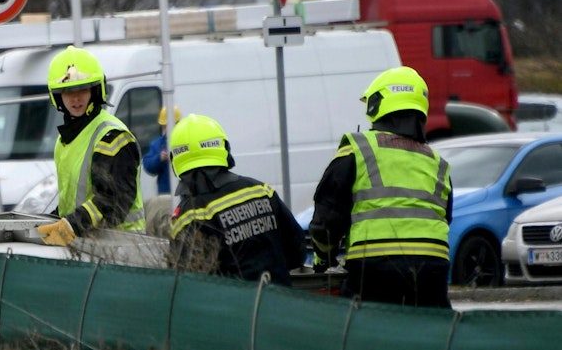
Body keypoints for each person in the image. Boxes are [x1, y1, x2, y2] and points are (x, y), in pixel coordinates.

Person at [308, 66, 453, 308]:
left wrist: (323, 258)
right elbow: (444, 218)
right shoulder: (438, 163)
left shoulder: (359, 149)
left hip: (375, 267)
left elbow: (327, 220)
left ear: (377, 105)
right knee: (432, 335)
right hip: (432, 266)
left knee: (354, 332)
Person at [167, 113, 306, 286]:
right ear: (224, 147)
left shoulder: (189, 216)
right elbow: (297, 252)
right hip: (280, 305)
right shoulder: (261, 191)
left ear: (175, 160)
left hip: (231, 311)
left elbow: (183, 285)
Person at [36, 45, 145, 246]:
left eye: (82, 89)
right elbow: (72, 201)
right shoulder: (66, 140)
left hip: (122, 246)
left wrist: (71, 225)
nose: (75, 98)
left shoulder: (111, 136)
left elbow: (114, 199)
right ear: (58, 96)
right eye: (67, 91)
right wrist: (48, 221)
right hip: (86, 243)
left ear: (95, 91)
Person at [143, 105, 182, 195]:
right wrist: (159, 158)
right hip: (166, 194)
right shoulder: (157, 144)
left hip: (184, 192)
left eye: (171, 125)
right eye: (164, 126)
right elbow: (148, 165)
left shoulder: (186, 140)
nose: (167, 129)